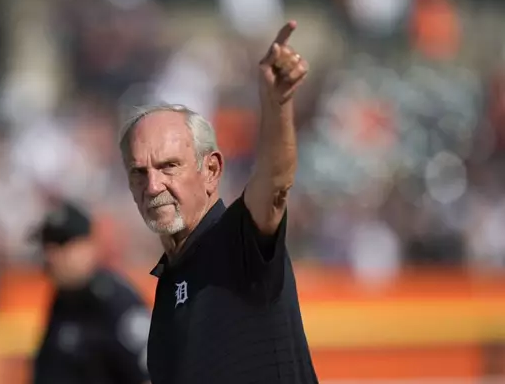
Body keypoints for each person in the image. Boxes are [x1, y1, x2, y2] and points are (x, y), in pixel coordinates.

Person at [118, 21, 318, 383]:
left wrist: (278, 103)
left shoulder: (237, 240)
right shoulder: (171, 280)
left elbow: (275, 184)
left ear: (211, 170)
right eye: (138, 172)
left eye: (169, 166)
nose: (153, 184)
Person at [31, 201, 151, 384]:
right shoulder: (62, 302)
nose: (51, 256)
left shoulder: (116, 303)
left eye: (61, 243)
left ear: (88, 247)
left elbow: (152, 375)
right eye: (46, 245)